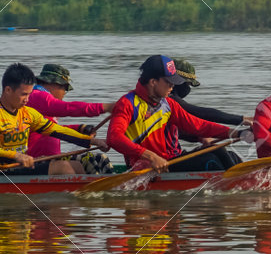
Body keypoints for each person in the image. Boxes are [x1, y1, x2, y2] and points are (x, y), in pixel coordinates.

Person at [107, 55, 250, 172]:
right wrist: (151, 157)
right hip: (148, 167)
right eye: (169, 82)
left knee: (224, 152)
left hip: (172, 160)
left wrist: (238, 133)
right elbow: (114, 138)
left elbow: (199, 126)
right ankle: (241, 188)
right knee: (211, 160)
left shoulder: (168, 104)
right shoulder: (127, 104)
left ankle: (243, 181)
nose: (172, 86)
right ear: (153, 82)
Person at [0, 63, 109, 175]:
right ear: (8, 90)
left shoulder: (28, 113)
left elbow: (57, 130)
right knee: (64, 168)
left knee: (77, 166)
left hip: (24, 165)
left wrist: (94, 141)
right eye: (24, 95)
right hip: (4, 170)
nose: (27, 100)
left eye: (29, 94)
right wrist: (16, 156)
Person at [25, 63, 115, 173]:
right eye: (65, 88)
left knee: (99, 159)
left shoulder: (40, 101)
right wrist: (105, 107)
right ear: (54, 84)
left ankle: (109, 188)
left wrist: (79, 128)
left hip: (51, 158)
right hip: (37, 159)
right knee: (83, 164)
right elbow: (68, 108)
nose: (64, 94)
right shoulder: (38, 96)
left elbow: (53, 129)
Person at [167, 58, 251, 170]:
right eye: (187, 84)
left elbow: (179, 131)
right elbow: (200, 113)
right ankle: (241, 182)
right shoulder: (168, 101)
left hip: (175, 155)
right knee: (215, 153)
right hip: (162, 163)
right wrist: (241, 120)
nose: (188, 88)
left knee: (232, 155)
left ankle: (245, 178)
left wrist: (199, 137)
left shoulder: (165, 105)